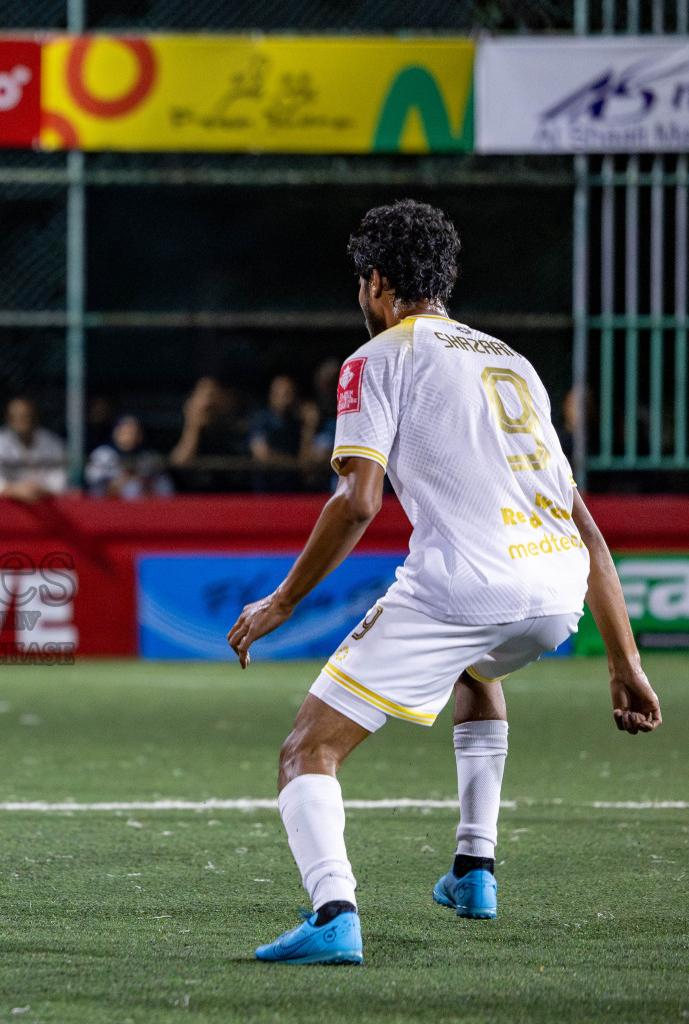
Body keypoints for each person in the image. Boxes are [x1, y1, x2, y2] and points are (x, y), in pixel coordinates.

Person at [227, 200, 661, 966]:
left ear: (376, 282)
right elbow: (587, 529)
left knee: (307, 751)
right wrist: (625, 663)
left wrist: (283, 602)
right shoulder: (514, 364)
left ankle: (334, 913)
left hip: (463, 588)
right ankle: (474, 869)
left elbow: (358, 500)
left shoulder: (380, 356)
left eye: (363, 285)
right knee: (476, 666)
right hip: (556, 593)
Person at [169, 376, 250, 490]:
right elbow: (180, 463)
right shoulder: (178, 429)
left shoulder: (237, 432)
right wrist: (193, 426)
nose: (208, 402)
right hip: (193, 498)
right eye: (202, 395)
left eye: (212, 395)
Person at [0, 396, 67, 502]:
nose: (22, 421)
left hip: (44, 503)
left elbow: (60, 483)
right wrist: (17, 490)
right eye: (16, 417)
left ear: (35, 417)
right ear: (8, 419)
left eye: (26, 416)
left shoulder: (53, 442)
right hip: (6, 506)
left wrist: (37, 490)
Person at [248, 375, 318, 491]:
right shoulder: (261, 419)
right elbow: (262, 455)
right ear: (272, 395)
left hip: (294, 490)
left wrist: (310, 427)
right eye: (284, 394)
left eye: (290, 393)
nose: (287, 398)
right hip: (266, 490)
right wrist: (295, 464)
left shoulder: (296, 423)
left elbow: (307, 468)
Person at [85, 413, 172, 498]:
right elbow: (94, 486)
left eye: (134, 432)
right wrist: (120, 481)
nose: (130, 436)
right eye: (126, 432)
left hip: (142, 507)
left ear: (140, 435)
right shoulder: (102, 455)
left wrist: (143, 482)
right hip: (109, 507)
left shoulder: (149, 457)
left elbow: (165, 491)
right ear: (116, 432)